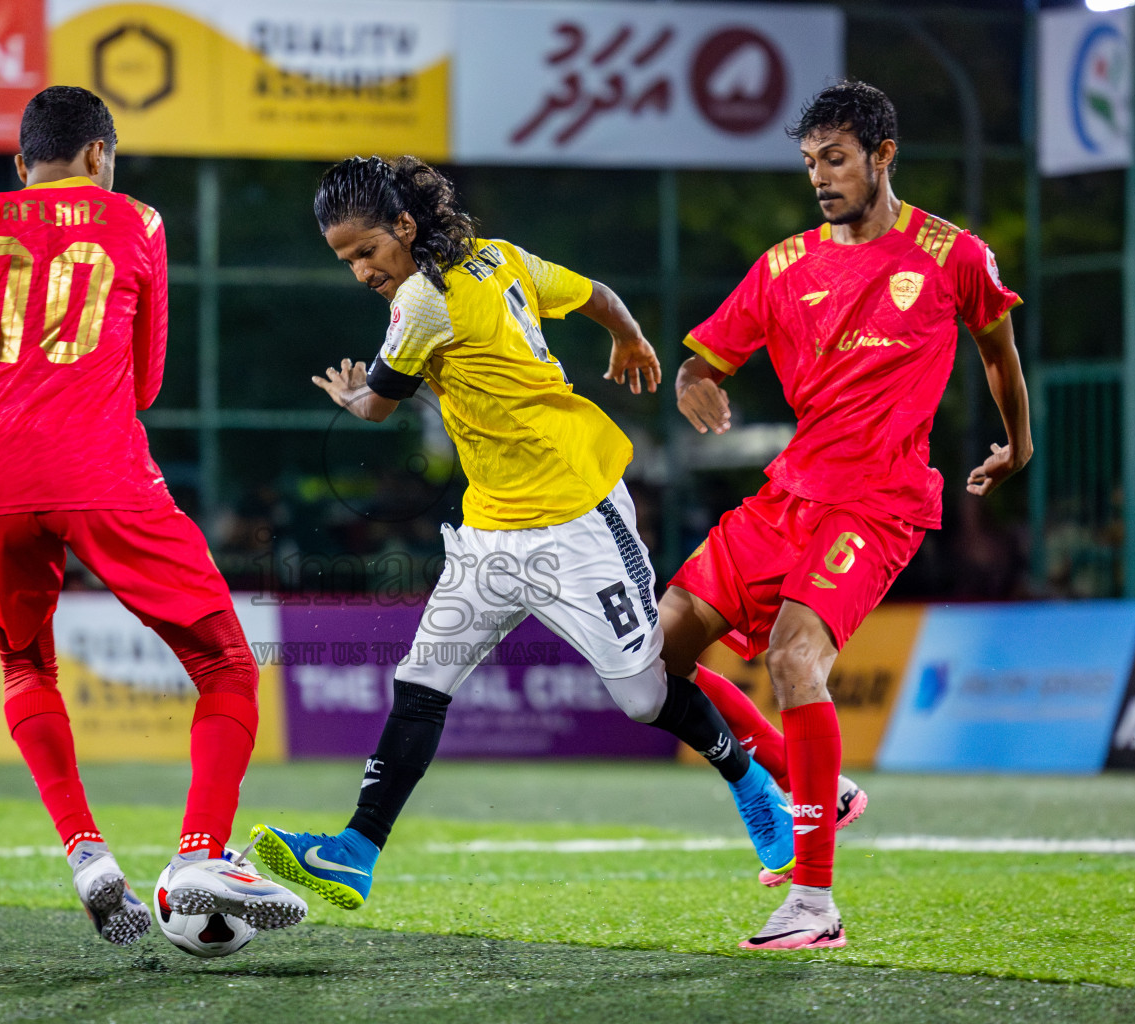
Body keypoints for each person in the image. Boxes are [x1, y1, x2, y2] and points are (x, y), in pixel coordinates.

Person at [250, 155, 794, 912]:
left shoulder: (421, 300)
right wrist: (629, 338)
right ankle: (354, 851)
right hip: (489, 532)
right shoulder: (501, 258)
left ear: (405, 228)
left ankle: (755, 784)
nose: (359, 271)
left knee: (643, 697)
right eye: (345, 260)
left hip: (576, 517)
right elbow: (596, 294)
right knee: (420, 682)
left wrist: (350, 394)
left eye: (366, 250)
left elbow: (376, 407)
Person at [0, 85, 306, 946]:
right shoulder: (137, 222)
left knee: (27, 668)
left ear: (21, 163)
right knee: (226, 669)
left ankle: (87, 854)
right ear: (101, 155)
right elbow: (145, 381)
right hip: (103, 474)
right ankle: (199, 855)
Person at [665, 80, 1031, 950]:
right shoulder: (785, 265)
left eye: (835, 159)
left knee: (796, 660)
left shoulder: (951, 254)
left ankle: (815, 904)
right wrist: (694, 382)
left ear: (882, 156)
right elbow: (703, 360)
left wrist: (1017, 446)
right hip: (788, 494)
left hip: (880, 500)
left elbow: (999, 353)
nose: (820, 177)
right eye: (809, 163)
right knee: (652, 664)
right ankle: (804, 778)